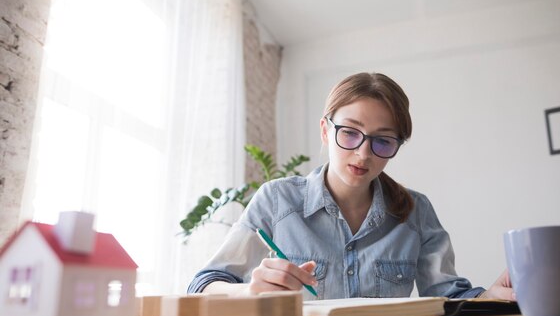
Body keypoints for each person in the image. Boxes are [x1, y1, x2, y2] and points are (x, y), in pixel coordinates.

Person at [188, 72, 515, 301]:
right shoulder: (277, 200)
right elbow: (203, 285)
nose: (362, 153)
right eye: (350, 132)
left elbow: (448, 294)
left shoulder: (416, 211)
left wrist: (490, 297)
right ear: (325, 131)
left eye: (383, 141)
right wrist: (248, 290)